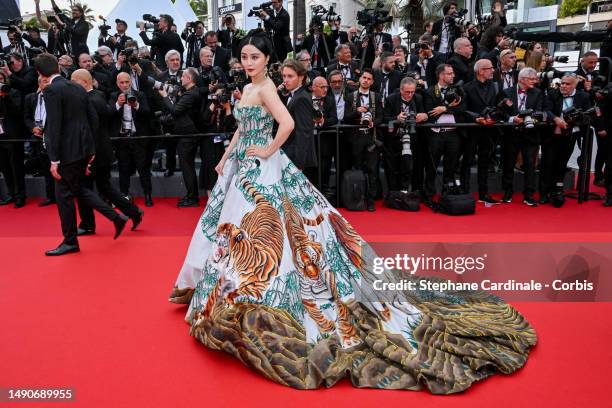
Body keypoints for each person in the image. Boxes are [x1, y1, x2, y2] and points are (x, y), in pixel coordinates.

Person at [168, 29, 536, 393]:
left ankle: (264, 296)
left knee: (270, 233)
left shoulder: (266, 89)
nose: (249, 63)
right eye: (245, 57)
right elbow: (240, 129)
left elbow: (289, 124)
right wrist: (227, 157)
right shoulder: (247, 88)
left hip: (263, 169)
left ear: (267, 60)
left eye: (255, 57)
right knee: (233, 232)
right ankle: (228, 292)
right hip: (242, 169)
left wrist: (266, 152)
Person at [35, 54, 128, 256]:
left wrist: (54, 160)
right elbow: (92, 119)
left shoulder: (51, 90)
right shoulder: (77, 88)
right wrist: (90, 150)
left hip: (66, 154)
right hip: (82, 150)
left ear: (40, 73)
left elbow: (55, 127)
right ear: (58, 69)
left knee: (64, 197)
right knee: (77, 189)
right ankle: (115, 217)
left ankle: (70, 241)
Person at [70, 69, 145, 233]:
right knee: (104, 187)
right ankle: (134, 212)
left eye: (73, 82)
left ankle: (88, 224)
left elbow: (92, 130)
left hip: (93, 152)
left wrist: (88, 155)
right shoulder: (98, 95)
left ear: (83, 82)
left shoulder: (90, 100)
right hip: (101, 150)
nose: (71, 86)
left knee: (85, 188)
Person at [500, 67, 544, 207]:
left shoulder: (538, 93)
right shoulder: (506, 92)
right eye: (532, 79)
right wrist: (513, 119)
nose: (535, 81)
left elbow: (539, 111)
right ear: (522, 79)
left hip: (530, 134)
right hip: (511, 134)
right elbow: (501, 112)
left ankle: (529, 195)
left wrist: (528, 119)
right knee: (508, 164)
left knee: (530, 165)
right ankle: (507, 192)